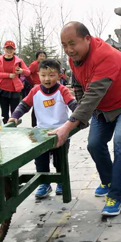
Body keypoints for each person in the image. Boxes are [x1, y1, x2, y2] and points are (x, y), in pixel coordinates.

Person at [49, 22, 121, 216]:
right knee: (94, 144)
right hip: (104, 106)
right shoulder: (75, 58)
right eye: (64, 45)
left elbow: (93, 94)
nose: (69, 50)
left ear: (87, 39)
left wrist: (68, 126)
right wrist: (80, 116)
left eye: (72, 44)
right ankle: (109, 181)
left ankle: (116, 196)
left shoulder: (105, 56)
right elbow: (78, 85)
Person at [9, 59, 78, 198]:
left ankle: (61, 181)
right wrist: (14, 116)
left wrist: (76, 116)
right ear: (38, 75)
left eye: (51, 75)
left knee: (60, 160)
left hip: (60, 132)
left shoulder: (62, 90)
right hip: (41, 132)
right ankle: (44, 184)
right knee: (41, 159)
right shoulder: (35, 91)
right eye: (43, 75)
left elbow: (73, 104)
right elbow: (24, 105)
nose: (47, 79)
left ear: (59, 76)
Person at [0, 41, 30, 124]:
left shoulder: (19, 61)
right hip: (2, 89)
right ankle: (6, 128)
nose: (9, 50)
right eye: (7, 48)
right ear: (4, 49)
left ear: (14, 50)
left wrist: (22, 71)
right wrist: (8, 75)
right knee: (4, 113)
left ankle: (13, 128)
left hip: (15, 89)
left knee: (14, 113)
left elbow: (28, 72)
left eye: (11, 49)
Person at [25, 51, 48, 127]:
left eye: (44, 56)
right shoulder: (34, 64)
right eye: (40, 56)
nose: (42, 57)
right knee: (36, 106)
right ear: (37, 57)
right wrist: (33, 83)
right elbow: (28, 74)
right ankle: (34, 125)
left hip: (46, 87)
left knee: (45, 105)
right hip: (37, 87)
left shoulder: (46, 65)